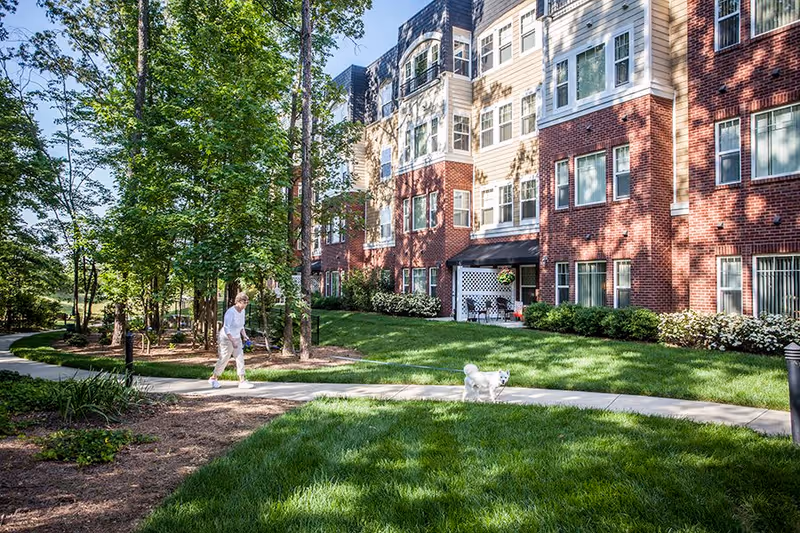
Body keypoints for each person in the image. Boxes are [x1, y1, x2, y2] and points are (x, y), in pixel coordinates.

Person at [209, 292, 254, 389]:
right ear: (238, 301)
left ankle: (242, 381)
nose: (246, 304)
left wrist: (245, 336)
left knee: (240, 358)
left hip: (237, 337)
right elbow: (226, 328)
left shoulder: (242, 311)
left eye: (247, 302)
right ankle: (213, 378)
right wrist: (232, 341)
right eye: (244, 302)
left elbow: (241, 326)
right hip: (226, 338)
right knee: (224, 358)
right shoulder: (230, 312)